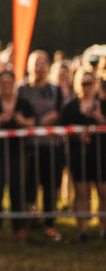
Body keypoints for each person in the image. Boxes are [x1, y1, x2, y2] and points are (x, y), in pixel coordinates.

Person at [0, 69, 36, 242]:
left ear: (14, 83)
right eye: (3, 82)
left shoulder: (23, 103)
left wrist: (22, 121)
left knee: (17, 191)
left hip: (18, 152)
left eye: (9, 82)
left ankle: (19, 229)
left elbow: (32, 122)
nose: (6, 86)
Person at [18, 50, 64, 241]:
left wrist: (53, 117)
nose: (40, 67)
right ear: (29, 67)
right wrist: (35, 121)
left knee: (51, 185)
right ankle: (30, 219)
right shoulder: (22, 89)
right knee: (29, 185)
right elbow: (19, 112)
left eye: (44, 62)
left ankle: (49, 224)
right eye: (36, 63)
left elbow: (61, 111)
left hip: (51, 146)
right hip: (29, 146)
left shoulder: (55, 90)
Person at [62, 70, 106, 241]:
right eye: (84, 83)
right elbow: (63, 129)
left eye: (90, 83)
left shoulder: (102, 103)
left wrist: (98, 117)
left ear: (95, 84)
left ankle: (103, 226)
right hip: (78, 154)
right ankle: (82, 230)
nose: (87, 87)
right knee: (81, 192)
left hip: (101, 153)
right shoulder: (71, 105)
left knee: (103, 191)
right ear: (77, 84)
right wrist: (78, 134)